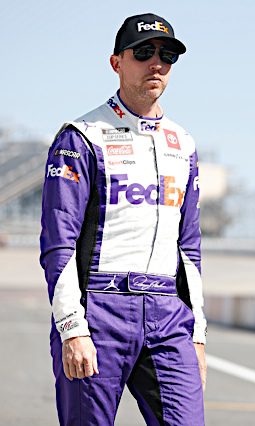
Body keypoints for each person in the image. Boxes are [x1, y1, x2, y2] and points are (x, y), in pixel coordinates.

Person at [39, 13, 207, 425]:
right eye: (144, 52)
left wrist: (197, 332)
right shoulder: (81, 136)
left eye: (167, 55)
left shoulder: (183, 144)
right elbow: (58, 242)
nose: (157, 63)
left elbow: (190, 248)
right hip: (99, 309)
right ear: (116, 62)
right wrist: (72, 327)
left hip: (168, 313)